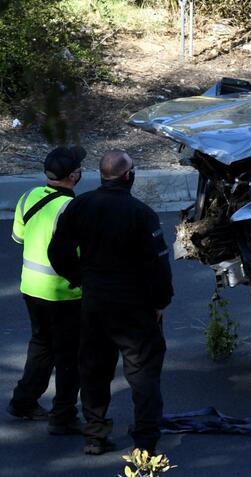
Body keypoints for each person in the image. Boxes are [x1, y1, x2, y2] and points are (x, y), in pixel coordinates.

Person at [48, 150, 173, 456]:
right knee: (143, 376)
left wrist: (80, 278)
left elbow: (57, 252)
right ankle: (144, 444)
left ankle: (94, 434)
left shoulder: (80, 206)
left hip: (94, 304)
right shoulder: (141, 213)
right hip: (135, 308)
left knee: (93, 370)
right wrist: (160, 302)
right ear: (128, 176)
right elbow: (158, 265)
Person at [7, 146, 85, 435]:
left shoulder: (28, 197)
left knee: (41, 345)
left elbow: (19, 238)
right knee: (69, 355)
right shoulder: (71, 209)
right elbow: (80, 254)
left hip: (31, 288)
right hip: (64, 293)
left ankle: (24, 401)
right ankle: (63, 416)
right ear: (74, 176)